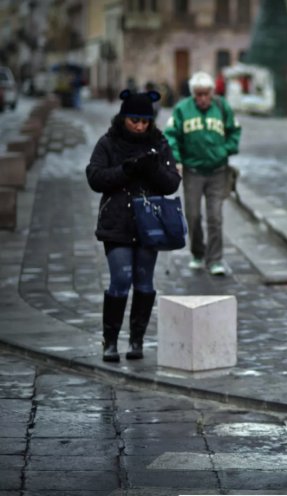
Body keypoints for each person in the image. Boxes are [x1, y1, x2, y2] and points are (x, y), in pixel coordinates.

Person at [86, 89, 182, 362]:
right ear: (124, 117)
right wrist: (125, 170)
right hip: (117, 222)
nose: (140, 126)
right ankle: (111, 341)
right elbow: (94, 177)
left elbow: (172, 182)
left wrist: (151, 169)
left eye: (145, 121)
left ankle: (137, 340)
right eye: (134, 120)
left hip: (149, 223)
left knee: (144, 281)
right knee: (120, 278)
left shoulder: (159, 143)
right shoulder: (109, 143)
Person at [164, 71, 242, 276]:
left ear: (212, 93)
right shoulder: (182, 109)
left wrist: (225, 150)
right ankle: (198, 253)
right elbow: (171, 135)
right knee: (193, 216)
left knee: (215, 217)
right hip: (193, 171)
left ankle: (215, 259)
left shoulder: (222, 107)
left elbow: (234, 130)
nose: (203, 99)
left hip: (218, 171)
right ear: (193, 94)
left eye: (206, 94)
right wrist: (177, 159)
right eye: (198, 95)